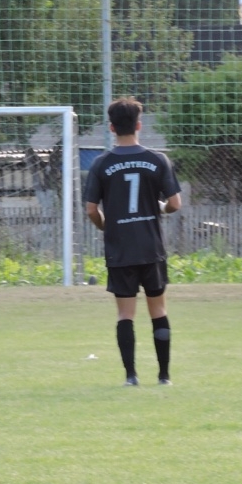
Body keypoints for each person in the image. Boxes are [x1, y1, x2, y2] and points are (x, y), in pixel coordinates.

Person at [84, 97, 182, 387]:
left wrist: (106, 226)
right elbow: (175, 203)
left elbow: (91, 209)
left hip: (120, 249)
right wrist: (159, 208)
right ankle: (164, 376)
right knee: (158, 311)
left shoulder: (101, 164)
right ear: (139, 125)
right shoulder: (157, 160)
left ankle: (131, 376)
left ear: (111, 128)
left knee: (125, 314)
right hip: (151, 248)